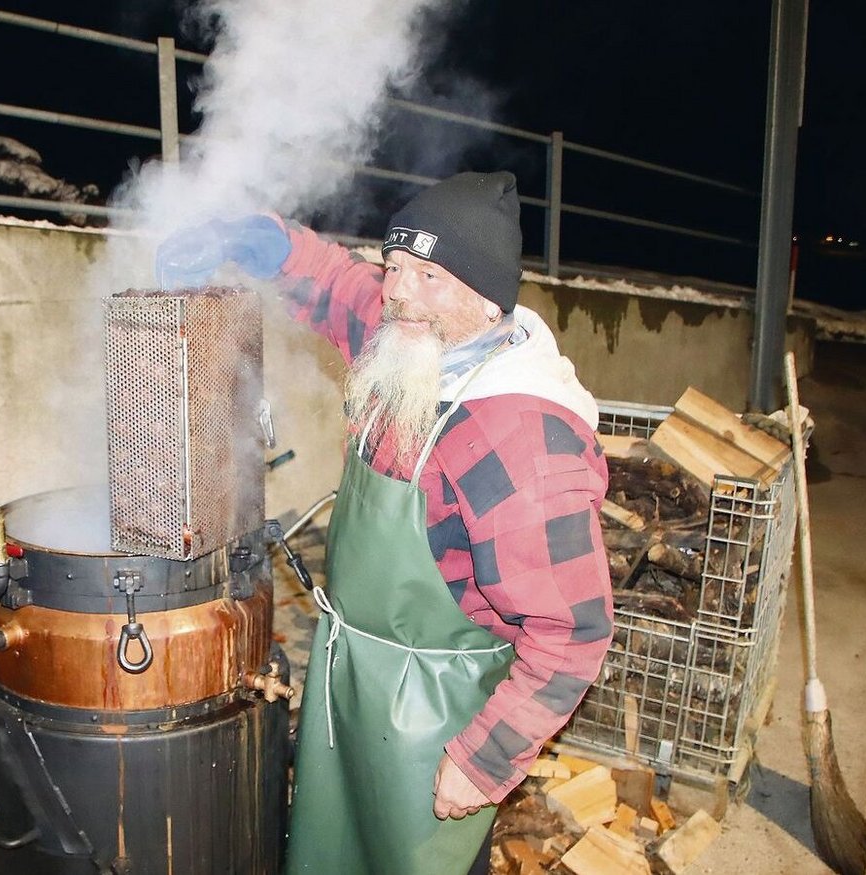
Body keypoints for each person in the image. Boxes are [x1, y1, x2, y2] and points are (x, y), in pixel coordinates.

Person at [157, 171, 613, 875]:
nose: (398, 290)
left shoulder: (520, 434)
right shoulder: (406, 337)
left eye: (428, 275)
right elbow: (339, 282)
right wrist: (259, 242)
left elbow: (572, 632)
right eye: (396, 265)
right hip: (354, 676)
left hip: (439, 714)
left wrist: (485, 761)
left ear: (486, 295)